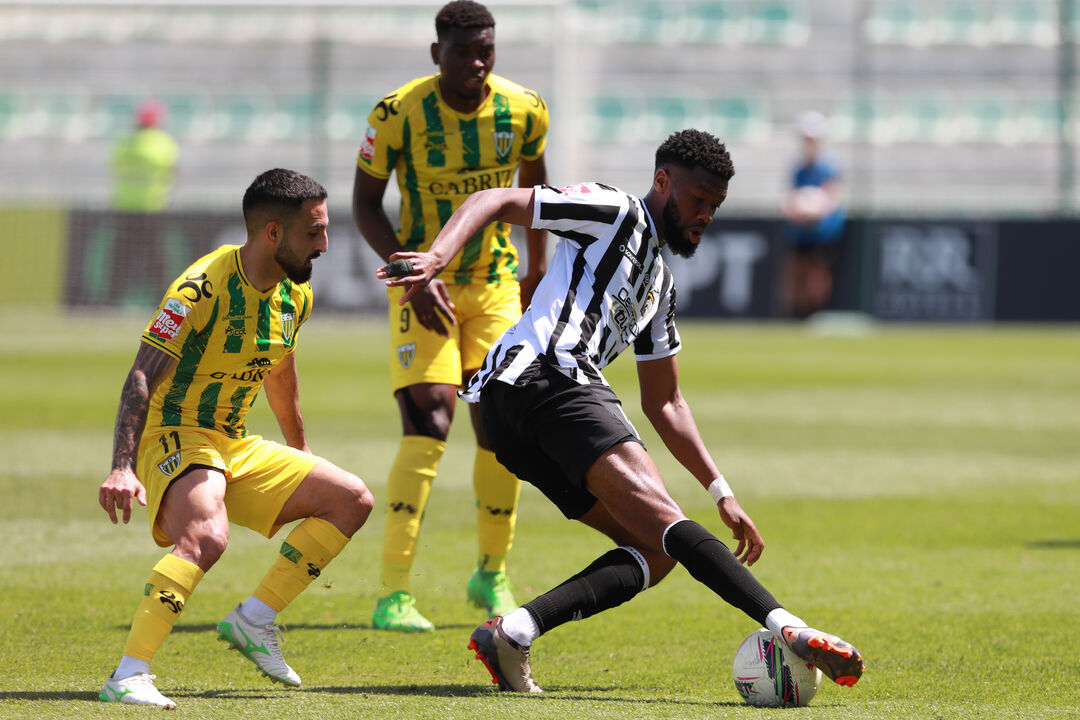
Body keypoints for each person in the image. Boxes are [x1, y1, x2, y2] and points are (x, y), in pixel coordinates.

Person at [378, 129, 865, 693]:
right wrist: (438, 256)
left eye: (716, 205)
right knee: (666, 526)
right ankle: (791, 627)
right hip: (547, 375)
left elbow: (665, 400)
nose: (706, 214)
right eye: (699, 199)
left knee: (656, 553)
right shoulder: (613, 211)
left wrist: (721, 491)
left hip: (516, 417)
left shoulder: (658, 283)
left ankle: (513, 632)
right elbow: (495, 199)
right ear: (663, 182)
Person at [98, 169, 375, 708]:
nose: (326, 244)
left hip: (233, 442)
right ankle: (128, 673)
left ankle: (254, 620)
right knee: (207, 536)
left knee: (351, 499)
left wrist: (299, 447)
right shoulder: (201, 286)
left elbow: (280, 370)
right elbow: (140, 374)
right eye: (314, 232)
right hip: (174, 431)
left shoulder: (296, 293)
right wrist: (122, 466)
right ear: (272, 233)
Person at [352, 0, 549, 632]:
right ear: (437, 53)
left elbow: (536, 193)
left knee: (499, 427)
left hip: (493, 289)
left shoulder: (525, 109)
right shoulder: (396, 113)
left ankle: (490, 574)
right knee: (429, 420)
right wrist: (412, 275)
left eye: (486, 48)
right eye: (463, 50)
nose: (477, 61)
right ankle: (393, 592)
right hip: (421, 288)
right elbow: (363, 204)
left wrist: (536, 270)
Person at [779, 110, 846, 319]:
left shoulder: (829, 167)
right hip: (800, 232)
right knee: (796, 272)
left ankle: (815, 313)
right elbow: (791, 197)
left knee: (817, 274)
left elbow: (832, 198)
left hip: (823, 231)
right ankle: (797, 315)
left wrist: (813, 211)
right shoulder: (798, 168)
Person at [110, 99, 180, 212]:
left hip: (124, 204)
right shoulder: (164, 142)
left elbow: (114, 167)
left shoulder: (124, 141)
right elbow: (173, 172)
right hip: (154, 205)